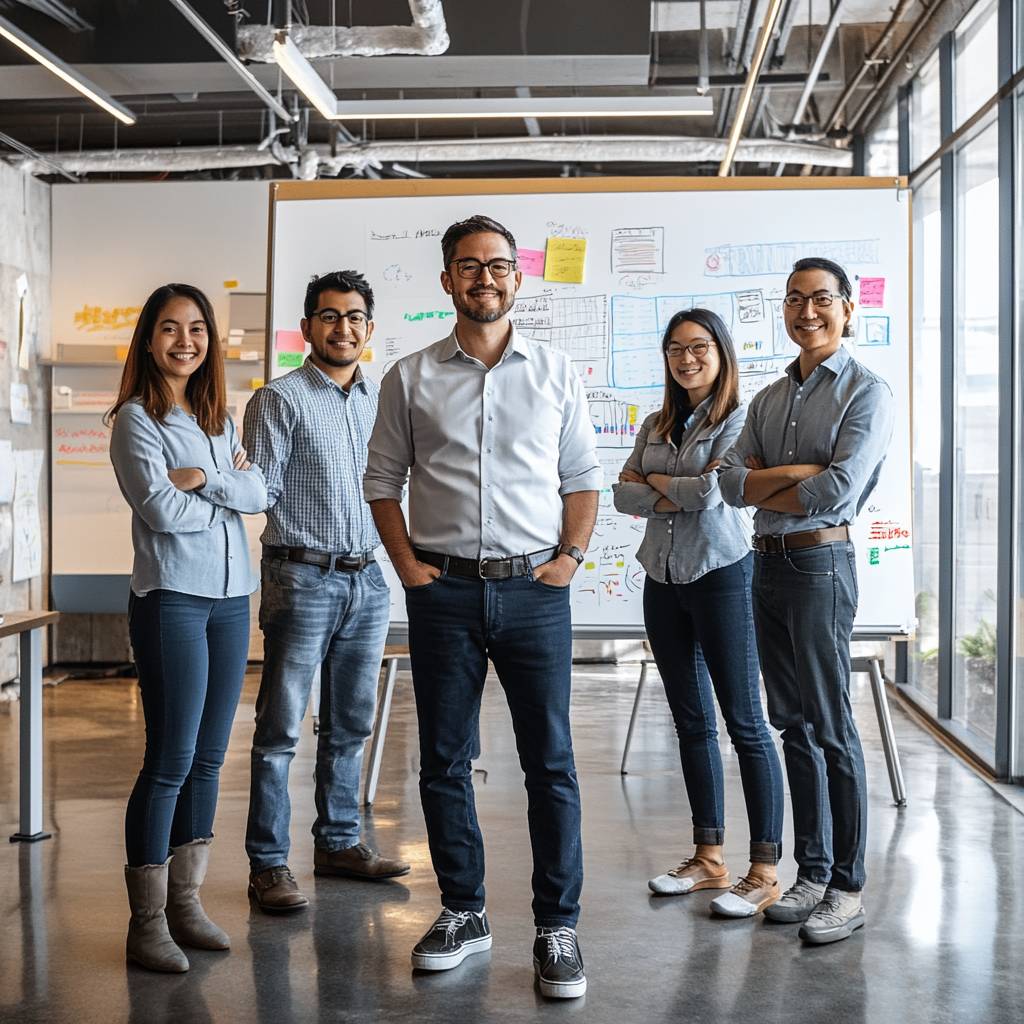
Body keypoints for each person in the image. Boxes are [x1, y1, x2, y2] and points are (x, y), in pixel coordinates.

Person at [363, 214, 601, 999]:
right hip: (446, 591)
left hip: (536, 590)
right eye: (469, 267)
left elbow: (581, 481)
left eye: (497, 266)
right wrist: (408, 568)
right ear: (447, 281)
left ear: (517, 279)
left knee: (552, 764)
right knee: (442, 763)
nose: (485, 279)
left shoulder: (556, 372)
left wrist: (569, 559)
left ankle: (556, 928)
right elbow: (382, 482)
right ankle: (464, 911)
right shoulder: (410, 376)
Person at [719, 257, 894, 945]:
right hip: (766, 565)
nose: (806, 312)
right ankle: (812, 872)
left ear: (847, 308)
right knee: (789, 722)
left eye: (820, 299)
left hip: (822, 564)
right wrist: (792, 475)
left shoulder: (865, 391)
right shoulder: (768, 399)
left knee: (831, 726)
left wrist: (773, 481)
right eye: (794, 300)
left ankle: (847, 887)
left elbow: (839, 490)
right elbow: (732, 485)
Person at [108, 283, 267, 972]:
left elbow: (261, 493)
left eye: (197, 328)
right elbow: (162, 514)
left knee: (209, 759)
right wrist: (222, 493)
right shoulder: (134, 420)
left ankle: (186, 903)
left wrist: (204, 479)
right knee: (170, 760)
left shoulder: (217, 418)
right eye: (170, 329)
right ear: (148, 339)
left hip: (234, 599)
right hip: (173, 597)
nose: (185, 341)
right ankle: (146, 923)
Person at [243, 270, 408, 914]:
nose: (344, 328)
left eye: (356, 318)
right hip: (300, 574)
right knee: (281, 726)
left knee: (350, 724)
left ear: (370, 329)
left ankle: (339, 843)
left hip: (367, 577)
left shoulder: (382, 400)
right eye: (330, 316)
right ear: (308, 326)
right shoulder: (278, 399)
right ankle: (268, 863)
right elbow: (261, 493)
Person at [613, 308, 785, 918]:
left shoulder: (742, 418)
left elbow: (713, 492)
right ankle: (709, 858)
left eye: (699, 347)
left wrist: (655, 483)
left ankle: (764, 868)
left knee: (744, 722)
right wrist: (669, 485)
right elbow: (620, 492)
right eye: (675, 349)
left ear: (722, 352)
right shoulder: (660, 420)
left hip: (723, 575)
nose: (687, 359)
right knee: (691, 722)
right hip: (662, 579)